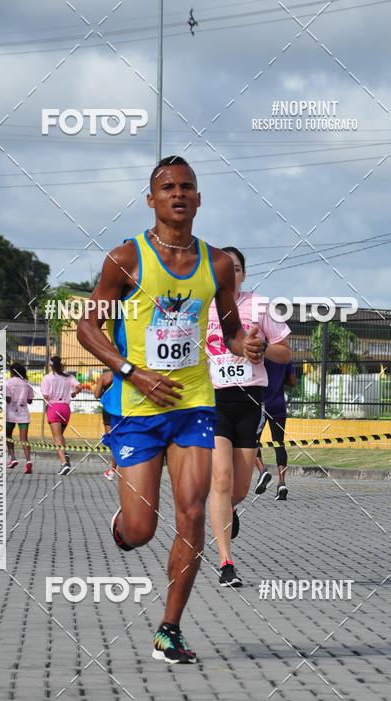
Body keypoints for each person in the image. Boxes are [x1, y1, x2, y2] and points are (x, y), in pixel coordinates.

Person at [77, 155, 263, 664]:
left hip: (194, 404)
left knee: (193, 512)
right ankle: (125, 526)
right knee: (142, 530)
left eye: (187, 186)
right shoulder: (125, 259)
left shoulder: (217, 264)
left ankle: (169, 629)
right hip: (136, 407)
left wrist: (246, 343)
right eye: (167, 187)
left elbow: (228, 330)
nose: (177, 194)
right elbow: (87, 328)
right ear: (152, 199)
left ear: (199, 198)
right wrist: (131, 371)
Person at [206, 247, 291, 587]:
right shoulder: (201, 307)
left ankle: (227, 510)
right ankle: (226, 562)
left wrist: (262, 348)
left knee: (238, 489)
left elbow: (285, 353)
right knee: (221, 481)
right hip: (213, 400)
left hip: (250, 399)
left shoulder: (259, 305)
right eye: (222, 269)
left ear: (243, 273)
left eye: (236, 268)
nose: (229, 274)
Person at [255, 358, 296, 499]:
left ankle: (263, 471)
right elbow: (292, 382)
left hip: (261, 403)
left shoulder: (260, 355)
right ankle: (282, 482)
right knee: (279, 443)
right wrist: (278, 380)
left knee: (251, 440)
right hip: (279, 404)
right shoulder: (284, 356)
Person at [40, 355, 82, 476]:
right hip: (65, 408)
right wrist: (74, 393)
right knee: (60, 434)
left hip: (54, 407)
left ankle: (64, 463)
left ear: (51, 365)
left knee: (57, 437)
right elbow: (79, 386)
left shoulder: (47, 378)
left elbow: (46, 396)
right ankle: (65, 454)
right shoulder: (69, 377)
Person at [5, 362, 35, 474]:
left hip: (10, 413)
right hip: (23, 413)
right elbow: (30, 400)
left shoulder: (8, 382)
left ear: (12, 371)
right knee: (24, 438)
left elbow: (8, 399)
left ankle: (13, 458)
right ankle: (28, 461)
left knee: (8, 435)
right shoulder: (26, 383)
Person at [94, 369, 117, 479]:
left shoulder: (105, 376)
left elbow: (97, 394)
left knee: (112, 440)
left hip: (109, 410)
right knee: (124, 437)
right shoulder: (127, 374)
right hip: (123, 409)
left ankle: (112, 470)